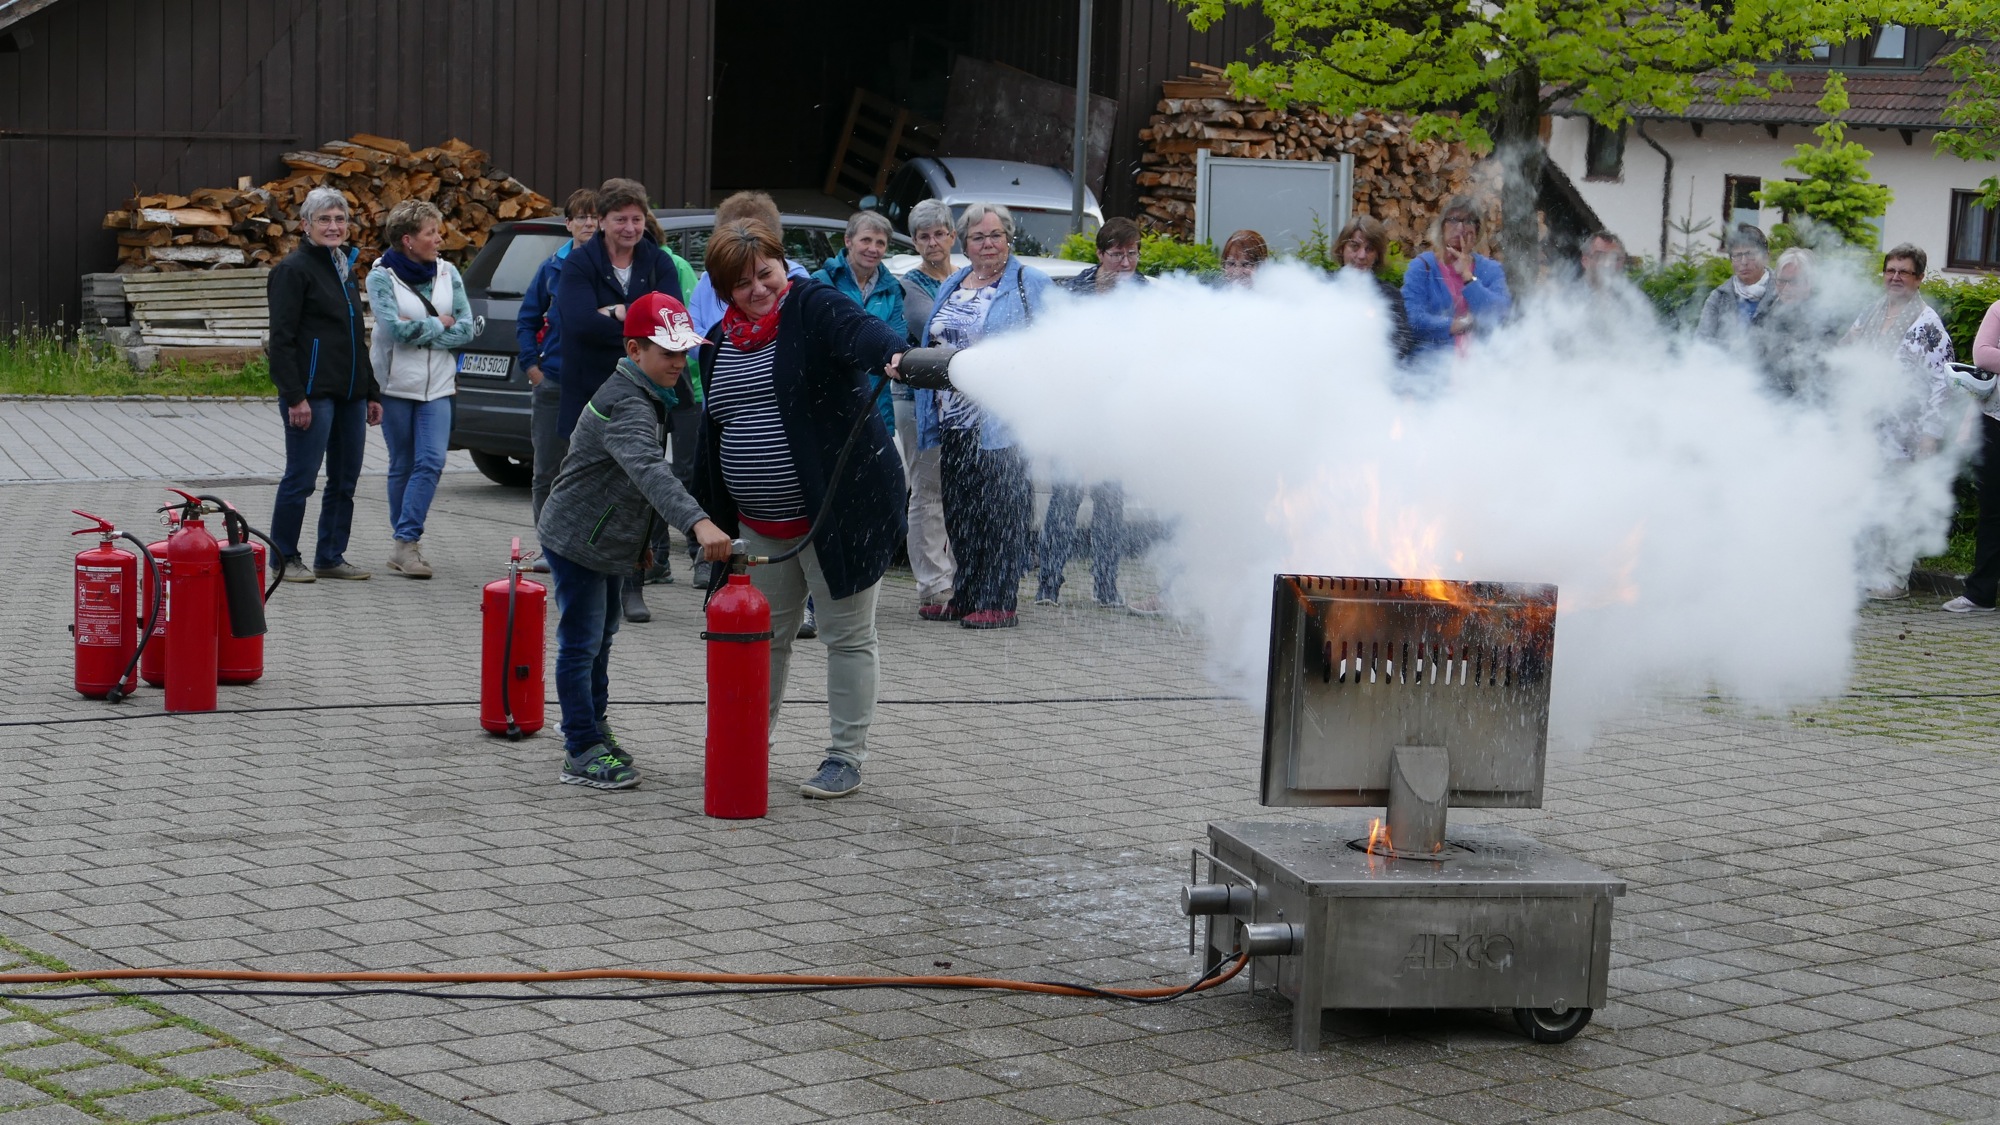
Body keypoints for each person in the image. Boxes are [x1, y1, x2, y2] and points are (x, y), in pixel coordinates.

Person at [690, 219, 910, 800]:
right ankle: (745, 743)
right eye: (741, 284)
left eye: (764, 273)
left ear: (781, 265)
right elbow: (713, 432)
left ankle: (844, 757)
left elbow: (861, 331)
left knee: (847, 636)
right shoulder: (717, 340)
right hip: (758, 527)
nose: (757, 289)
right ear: (723, 290)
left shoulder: (812, 305)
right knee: (760, 639)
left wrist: (893, 355)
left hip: (836, 517)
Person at [537, 293, 733, 789]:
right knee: (581, 645)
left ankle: (592, 727)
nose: (678, 362)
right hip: (579, 538)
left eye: (683, 351)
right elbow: (649, 471)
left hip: (606, 538)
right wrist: (698, 523)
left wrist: (641, 542)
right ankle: (579, 747)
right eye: (666, 352)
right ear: (634, 349)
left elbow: (631, 481)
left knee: (601, 637)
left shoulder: (648, 393)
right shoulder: (625, 401)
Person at [551, 178, 688, 623]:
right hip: (590, 387)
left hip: (650, 390)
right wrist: (635, 316)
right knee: (593, 482)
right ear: (602, 221)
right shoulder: (579, 263)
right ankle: (582, 564)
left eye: (636, 219)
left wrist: (612, 312)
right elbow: (575, 323)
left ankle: (633, 582)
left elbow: (671, 319)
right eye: (620, 219)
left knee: (641, 483)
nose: (629, 228)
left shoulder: (658, 259)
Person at [914, 203, 1056, 629]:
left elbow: (1058, 344)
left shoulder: (1031, 283)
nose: (988, 244)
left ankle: (999, 599)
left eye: (995, 235)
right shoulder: (956, 282)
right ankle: (970, 592)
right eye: (978, 237)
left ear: (1008, 238)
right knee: (961, 511)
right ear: (966, 243)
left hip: (1003, 421)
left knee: (1002, 512)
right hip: (954, 419)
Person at [267, 186, 381, 582]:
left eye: (340, 219)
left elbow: (356, 336)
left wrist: (370, 391)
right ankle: (284, 558)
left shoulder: (344, 267)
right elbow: (280, 341)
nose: (334, 226)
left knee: (345, 480)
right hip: (311, 396)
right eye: (324, 219)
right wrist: (294, 396)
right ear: (305, 225)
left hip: (350, 395)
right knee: (301, 479)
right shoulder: (292, 270)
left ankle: (330, 557)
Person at [367, 200, 478, 579]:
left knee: (430, 461)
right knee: (402, 464)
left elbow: (467, 328)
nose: (439, 239)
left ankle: (406, 539)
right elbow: (394, 331)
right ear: (408, 239)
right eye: (431, 233)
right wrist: (439, 324)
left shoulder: (449, 273)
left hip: (439, 387)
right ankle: (405, 548)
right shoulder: (380, 276)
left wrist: (426, 328)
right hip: (396, 386)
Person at [1037, 218, 1144, 610]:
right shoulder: (1073, 290)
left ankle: (1106, 588)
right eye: (1117, 254)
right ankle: (1048, 585)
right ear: (1100, 255)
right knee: (1064, 498)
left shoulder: (1146, 296)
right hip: (1075, 414)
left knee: (1110, 504)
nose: (1126, 263)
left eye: (1132, 254)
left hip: (1118, 420)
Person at [1842, 244, 1953, 601]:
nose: (1895, 277)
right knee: (1871, 501)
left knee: (1901, 506)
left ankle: (1894, 578)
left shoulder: (1927, 324)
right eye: (1890, 270)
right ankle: (1870, 570)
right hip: (1866, 427)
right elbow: (1847, 350)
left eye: (1904, 272)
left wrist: (1931, 434)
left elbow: (1942, 381)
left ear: (1919, 279)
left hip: (1907, 433)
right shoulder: (1871, 312)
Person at [517, 189, 600, 525]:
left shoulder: (614, 268)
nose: (589, 223)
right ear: (568, 224)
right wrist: (532, 367)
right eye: (581, 216)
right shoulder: (551, 268)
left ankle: (588, 548)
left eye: (595, 216)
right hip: (553, 382)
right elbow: (527, 320)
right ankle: (548, 548)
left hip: (600, 385)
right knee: (547, 471)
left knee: (596, 471)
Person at [897, 198, 960, 614]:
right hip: (915, 399)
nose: (932, 242)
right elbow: (930, 329)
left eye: (939, 233)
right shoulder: (908, 285)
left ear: (953, 235)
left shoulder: (966, 276)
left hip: (960, 399)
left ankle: (955, 577)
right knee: (927, 490)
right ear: (915, 242)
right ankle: (932, 584)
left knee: (955, 492)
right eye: (924, 236)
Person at [810, 210, 903, 439]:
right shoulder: (822, 281)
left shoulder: (892, 288)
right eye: (866, 240)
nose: (873, 249)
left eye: (880, 243)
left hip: (877, 402)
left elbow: (897, 338)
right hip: (832, 398)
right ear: (848, 241)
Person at [1402, 197, 1511, 360]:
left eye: (1468, 221)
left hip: (1482, 368)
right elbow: (1412, 319)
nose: (1460, 227)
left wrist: (1468, 277)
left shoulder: (1490, 269)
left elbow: (1499, 314)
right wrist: (1457, 325)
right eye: (1453, 220)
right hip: (1429, 370)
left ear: (1477, 229)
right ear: (1442, 226)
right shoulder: (1422, 267)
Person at [1944, 296, 2000, 614]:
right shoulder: (1998, 308)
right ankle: (1981, 594)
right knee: (1993, 512)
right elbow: (1983, 355)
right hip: (1994, 423)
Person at [1751, 247, 1844, 397]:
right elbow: (1751, 361)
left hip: (1807, 402)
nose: (1786, 288)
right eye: (1781, 281)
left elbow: (1825, 371)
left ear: (1809, 283)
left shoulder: (1824, 321)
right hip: (1767, 400)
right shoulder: (1765, 314)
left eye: (1794, 282)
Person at [1334, 214, 1415, 361]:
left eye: (1369, 249)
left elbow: (1402, 344)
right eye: (1354, 246)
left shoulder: (1389, 295)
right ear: (1341, 249)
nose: (1361, 255)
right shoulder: (1323, 285)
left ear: (1377, 256)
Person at [1696, 224, 1774, 344]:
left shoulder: (1782, 291)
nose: (1743, 262)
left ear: (1765, 256)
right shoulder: (1719, 297)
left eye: (1750, 254)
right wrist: (1736, 349)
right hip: (1725, 362)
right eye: (1737, 256)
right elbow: (1701, 341)